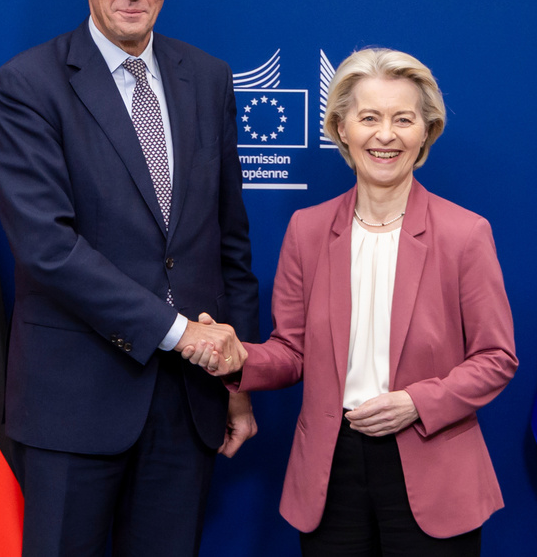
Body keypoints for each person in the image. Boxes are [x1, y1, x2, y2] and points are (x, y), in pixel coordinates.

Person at [0, 0, 258, 557]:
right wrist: (181, 336)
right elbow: (49, 249)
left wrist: (235, 380)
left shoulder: (210, 79)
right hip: (75, 402)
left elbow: (230, 243)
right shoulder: (28, 84)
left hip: (188, 406)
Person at [187, 48, 518, 555]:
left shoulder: (465, 234)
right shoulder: (308, 229)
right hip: (330, 471)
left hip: (434, 466)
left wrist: (415, 403)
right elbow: (292, 352)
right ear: (342, 128)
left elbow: (496, 359)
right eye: (369, 118)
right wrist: (240, 358)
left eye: (403, 119)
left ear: (425, 131)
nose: (385, 135)